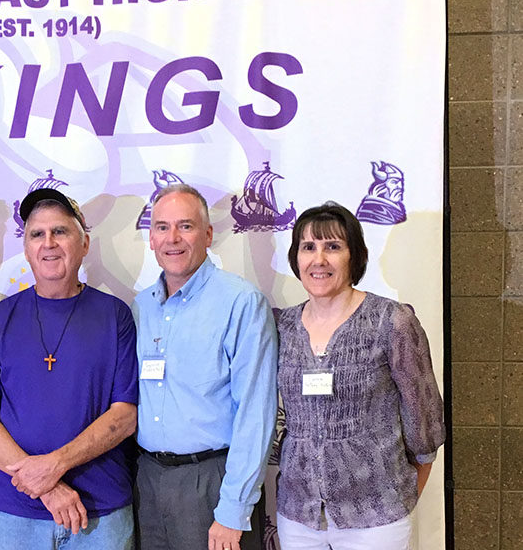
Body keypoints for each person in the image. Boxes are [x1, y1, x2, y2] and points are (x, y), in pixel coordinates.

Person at [0, 188, 138, 550]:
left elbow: (124, 417)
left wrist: (53, 467)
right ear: (26, 248)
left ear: (85, 242)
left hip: (99, 512)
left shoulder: (115, 315)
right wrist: (46, 486)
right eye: (37, 234)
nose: (49, 243)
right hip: (13, 514)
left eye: (60, 231)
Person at [275, 202, 445, 549]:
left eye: (333, 247)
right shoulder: (284, 327)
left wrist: (402, 496)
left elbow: (424, 419)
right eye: (308, 247)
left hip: (376, 518)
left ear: (355, 256)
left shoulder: (391, 321)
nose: (318, 259)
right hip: (299, 516)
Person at [134, 183, 277, 550]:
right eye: (162, 227)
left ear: (208, 234)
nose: (173, 238)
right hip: (148, 481)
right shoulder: (141, 307)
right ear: (150, 238)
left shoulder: (241, 303)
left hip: (213, 482)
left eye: (186, 226)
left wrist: (233, 510)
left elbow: (255, 414)